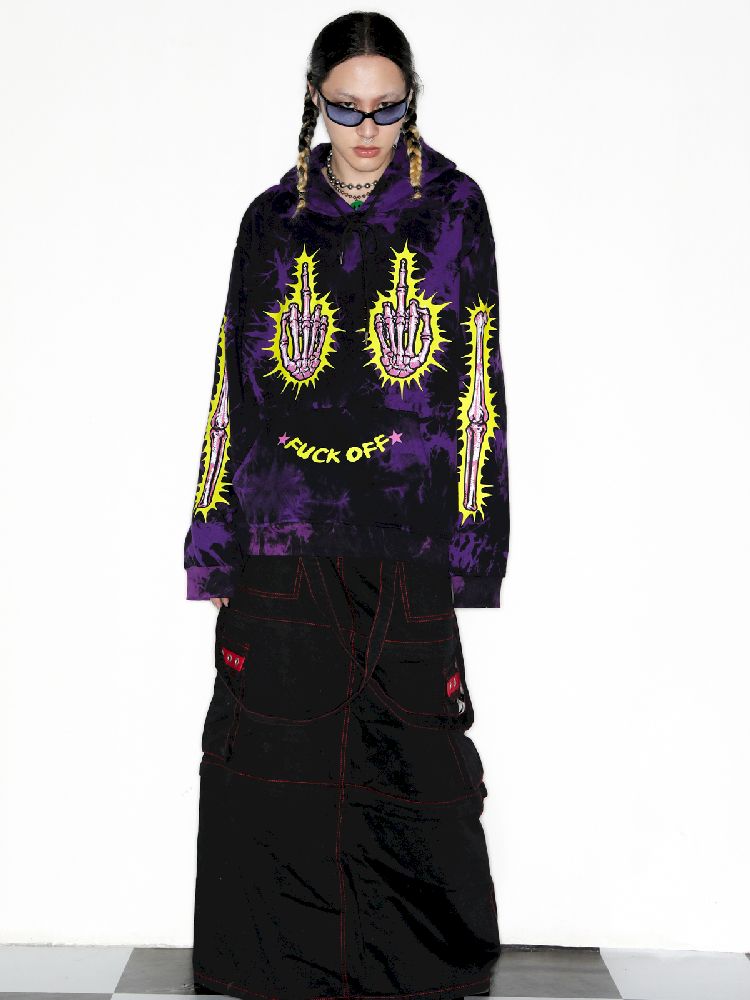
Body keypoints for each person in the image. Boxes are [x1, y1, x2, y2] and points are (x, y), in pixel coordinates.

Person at [184, 12, 509, 1000]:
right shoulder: (268, 221)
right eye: (346, 108)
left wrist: (473, 543)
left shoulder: (454, 208)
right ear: (315, 102)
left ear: (411, 102)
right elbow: (234, 385)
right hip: (282, 533)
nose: (367, 130)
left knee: (410, 768)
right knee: (272, 769)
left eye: (386, 107)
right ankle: (275, 975)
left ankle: (416, 975)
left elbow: (478, 376)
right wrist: (214, 539)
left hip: (405, 535)